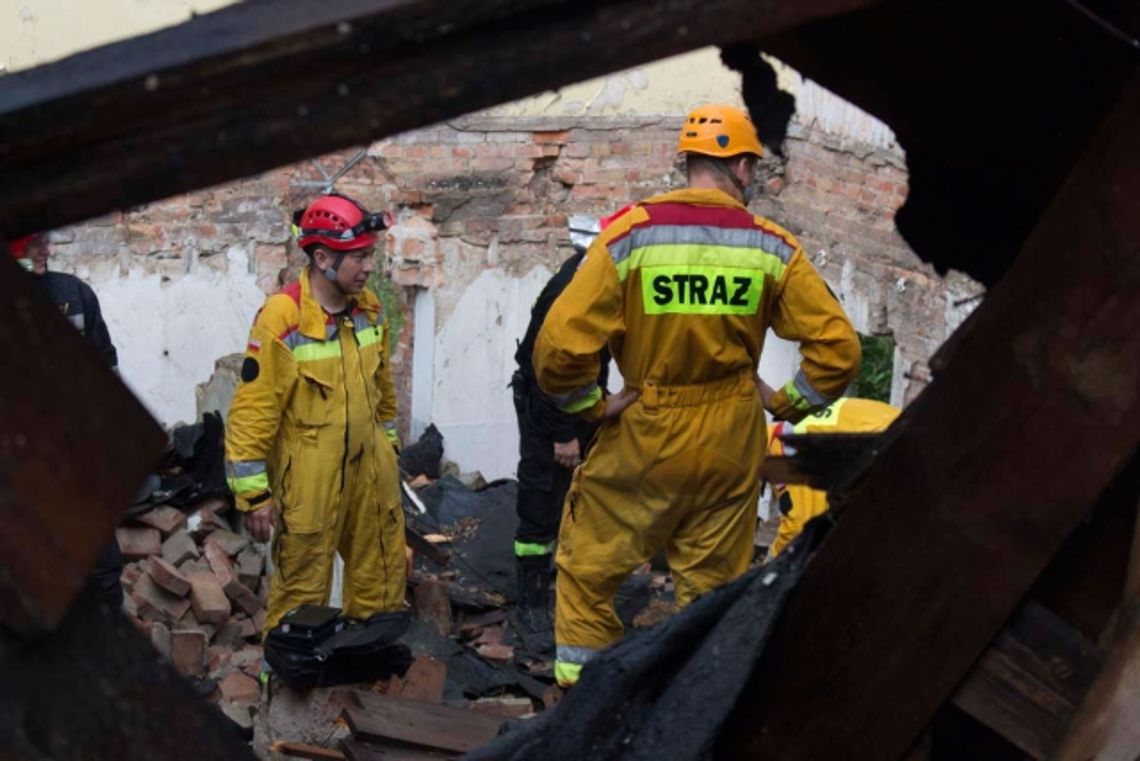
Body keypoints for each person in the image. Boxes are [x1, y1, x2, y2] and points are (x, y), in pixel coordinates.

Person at [533, 104, 861, 687]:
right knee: (711, 590)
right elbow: (838, 350)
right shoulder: (771, 246)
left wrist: (591, 406)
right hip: (732, 436)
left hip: (645, 427)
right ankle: (689, 715)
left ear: (689, 163)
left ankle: (584, 709)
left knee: (587, 569)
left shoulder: (631, 234)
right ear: (738, 165)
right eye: (751, 169)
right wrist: (784, 404)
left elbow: (558, 348)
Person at [225, 193, 407, 632]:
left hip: (371, 471)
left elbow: (382, 390)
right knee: (301, 594)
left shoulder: (369, 309)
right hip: (309, 475)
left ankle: (366, 682)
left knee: (381, 579)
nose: (369, 268)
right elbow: (253, 410)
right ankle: (288, 688)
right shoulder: (282, 317)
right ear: (322, 257)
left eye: (370, 255)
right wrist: (253, 496)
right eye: (358, 258)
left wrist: (390, 448)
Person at [508, 213, 621, 655]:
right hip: (545, 405)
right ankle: (531, 604)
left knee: (582, 491)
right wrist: (562, 435)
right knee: (541, 494)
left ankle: (569, 581)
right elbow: (544, 372)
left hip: (581, 396)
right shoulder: (571, 290)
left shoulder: (597, 280)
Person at [11, 232, 124, 606]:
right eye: (34, 243)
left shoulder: (73, 295)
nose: (46, 249)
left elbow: (105, 365)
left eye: (46, 240)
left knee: (103, 567)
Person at [766, 396, 900, 558]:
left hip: (889, 446)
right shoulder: (801, 423)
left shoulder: (787, 447)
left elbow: (798, 525)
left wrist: (771, 561)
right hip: (902, 429)